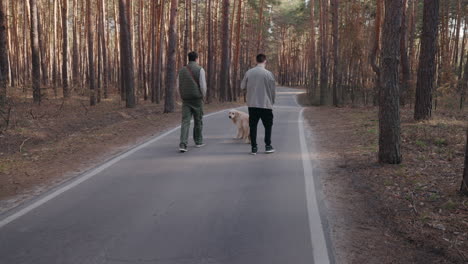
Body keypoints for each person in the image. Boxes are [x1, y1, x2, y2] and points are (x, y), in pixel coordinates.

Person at [241, 54, 276, 155]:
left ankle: (254, 148)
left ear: (256, 61)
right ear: (265, 61)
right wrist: (272, 102)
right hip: (266, 104)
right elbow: (273, 90)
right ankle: (268, 146)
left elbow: (242, 86)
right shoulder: (269, 74)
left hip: (252, 104)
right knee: (268, 126)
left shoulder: (249, 72)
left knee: (253, 126)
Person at [178, 52, 207, 152]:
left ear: (188, 59)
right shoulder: (200, 69)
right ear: (196, 59)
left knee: (185, 121)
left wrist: (181, 95)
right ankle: (198, 141)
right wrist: (203, 96)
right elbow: (203, 86)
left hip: (185, 99)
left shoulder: (181, 70)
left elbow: (178, 85)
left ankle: (183, 144)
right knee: (198, 120)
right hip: (197, 99)